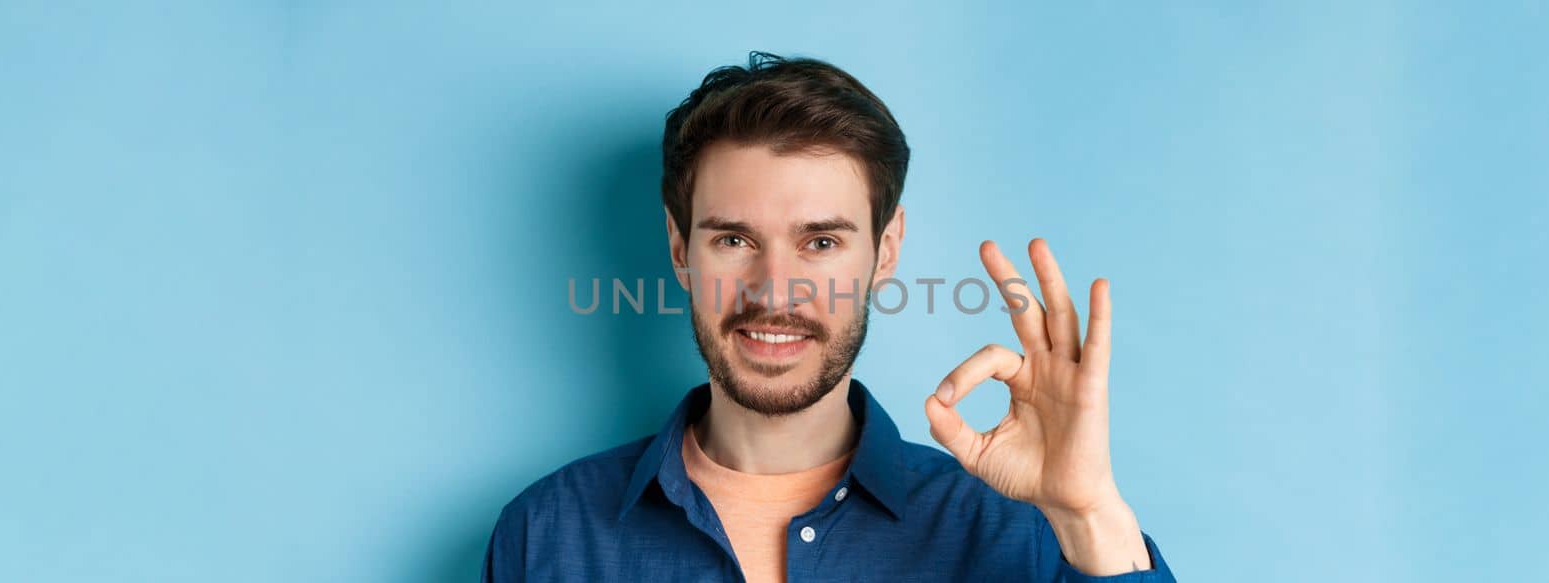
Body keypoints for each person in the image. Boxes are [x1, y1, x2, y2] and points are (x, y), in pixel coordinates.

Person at [482, 52, 1176, 582]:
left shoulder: (1012, 533)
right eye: (733, 239)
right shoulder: (547, 534)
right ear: (679, 249)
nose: (774, 289)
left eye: (820, 242)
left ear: (886, 250)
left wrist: (1089, 514)